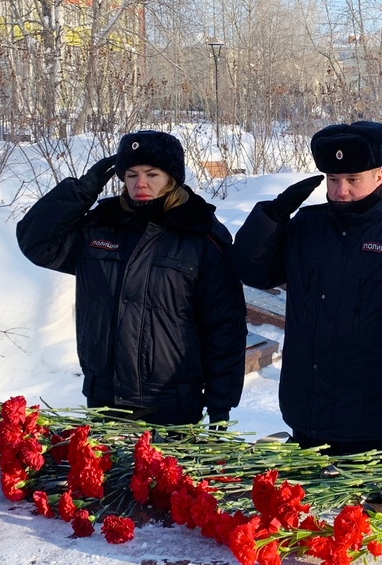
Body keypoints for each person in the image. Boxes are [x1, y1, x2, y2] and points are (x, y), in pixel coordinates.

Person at [232, 121, 382, 464]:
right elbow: (252, 271)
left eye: (353, 179)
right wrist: (272, 217)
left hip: (378, 419)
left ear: (379, 176)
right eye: (334, 180)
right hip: (308, 411)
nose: (341, 191)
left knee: (364, 517)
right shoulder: (306, 227)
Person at [16, 131, 247, 425]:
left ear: (172, 177)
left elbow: (224, 326)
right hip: (104, 396)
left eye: (152, 174)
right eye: (131, 174)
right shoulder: (101, 226)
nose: (141, 183)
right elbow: (36, 242)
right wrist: (82, 190)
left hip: (171, 402)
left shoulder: (200, 236)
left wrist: (220, 404)